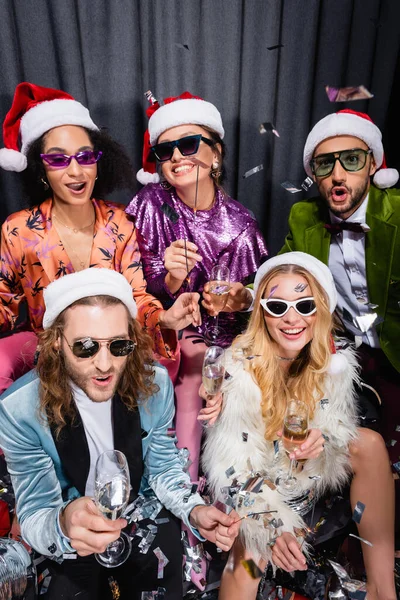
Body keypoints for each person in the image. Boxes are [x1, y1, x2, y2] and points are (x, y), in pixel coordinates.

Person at [0, 268, 240, 599]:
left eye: (118, 345)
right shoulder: (19, 409)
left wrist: (195, 512)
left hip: (140, 513)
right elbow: (35, 512)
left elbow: (164, 466)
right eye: (85, 346)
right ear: (57, 342)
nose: (104, 364)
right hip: (71, 529)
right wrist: (62, 523)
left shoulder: (153, 384)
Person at [202, 252, 395, 600]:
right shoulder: (239, 369)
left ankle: (383, 591)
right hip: (258, 486)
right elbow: (233, 472)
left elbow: (337, 430)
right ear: (262, 312)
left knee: (369, 444)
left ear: (319, 310)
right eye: (277, 307)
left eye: (304, 305)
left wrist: (324, 443)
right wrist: (275, 528)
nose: (292, 319)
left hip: (309, 479)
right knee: (249, 558)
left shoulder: (331, 363)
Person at [0, 82, 200, 394]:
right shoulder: (18, 229)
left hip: (112, 347)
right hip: (48, 348)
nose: (76, 171)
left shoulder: (123, 222)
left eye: (85, 156)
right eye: (58, 159)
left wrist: (166, 318)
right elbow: (4, 306)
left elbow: (138, 297)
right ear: (41, 168)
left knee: (157, 369)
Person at [126, 91, 268, 485]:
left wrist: (241, 300)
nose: (176, 157)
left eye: (188, 144)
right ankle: (171, 490)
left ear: (216, 154)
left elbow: (259, 301)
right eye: (164, 150)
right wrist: (169, 278)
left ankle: (197, 492)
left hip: (221, 343)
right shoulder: (150, 204)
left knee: (199, 371)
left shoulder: (241, 224)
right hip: (159, 331)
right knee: (184, 364)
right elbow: (132, 283)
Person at [279, 109, 400, 526]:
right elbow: (282, 276)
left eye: (350, 160)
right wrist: (245, 294)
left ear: (373, 163)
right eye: (324, 163)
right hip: (346, 356)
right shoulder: (304, 217)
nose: (336, 175)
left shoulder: (397, 213)